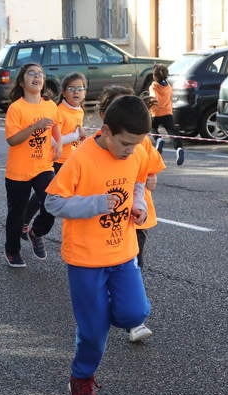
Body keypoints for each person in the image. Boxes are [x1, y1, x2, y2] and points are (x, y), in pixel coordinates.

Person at [45, 94, 152, 395]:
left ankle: (103, 310)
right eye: (126, 144)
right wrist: (96, 204)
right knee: (93, 331)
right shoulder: (81, 157)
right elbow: (53, 202)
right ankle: (81, 377)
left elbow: (138, 182)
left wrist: (139, 205)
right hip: (85, 260)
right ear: (106, 131)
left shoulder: (136, 151)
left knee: (135, 312)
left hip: (123, 252)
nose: (132, 150)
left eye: (137, 144)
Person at [95, 85, 167, 343]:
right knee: (106, 270)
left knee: (134, 265)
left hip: (136, 217)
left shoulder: (142, 141)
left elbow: (150, 168)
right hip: (106, 221)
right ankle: (105, 306)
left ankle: (134, 321)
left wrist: (151, 177)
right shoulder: (95, 149)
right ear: (106, 115)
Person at [3, 63, 62, 267]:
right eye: (31, 74)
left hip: (43, 166)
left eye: (40, 74)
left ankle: (37, 231)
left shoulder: (50, 105)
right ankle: (12, 251)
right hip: (18, 170)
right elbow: (12, 140)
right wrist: (35, 126)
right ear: (22, 81)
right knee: (16, 215)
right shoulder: (16, 108)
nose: (37, 77)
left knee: (52, 203)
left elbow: (55, 126)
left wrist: (59, 143)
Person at [22, 72, 88, 239]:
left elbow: (76, 136)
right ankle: (33, 228)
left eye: (80, 88)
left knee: (43, 196)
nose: (76, 92)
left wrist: (80, 140)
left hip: (71, 163)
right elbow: (50, 140)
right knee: (48, 199)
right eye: (71, 88)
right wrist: (75, 136)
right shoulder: (59, 111)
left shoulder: (79, 110)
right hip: (55, 162)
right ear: (64, 92)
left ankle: (25, 223)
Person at [149, 63, 185, 166]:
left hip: (155, 113)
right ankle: (178, 148)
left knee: (152, 127)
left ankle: (159, 139)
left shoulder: (153, 86)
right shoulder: (168, 86)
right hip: (167, 113)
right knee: (172, 132)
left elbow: (153, 97)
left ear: (154, 76)